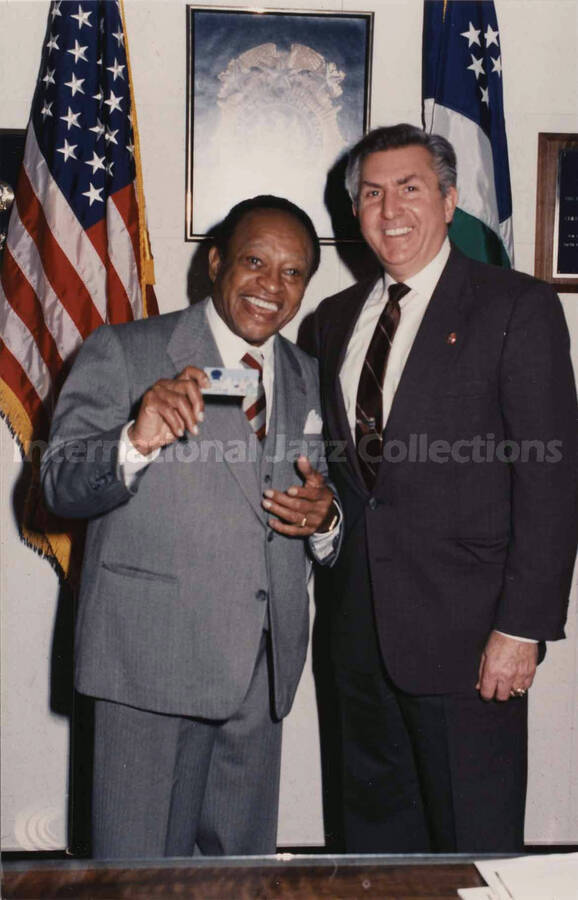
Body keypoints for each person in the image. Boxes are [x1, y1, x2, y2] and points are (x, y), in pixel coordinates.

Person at [41, 195, 342, 858]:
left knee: (241, 873)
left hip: (260, 679)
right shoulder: (125, 350)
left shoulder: (308, 375)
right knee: (139, 872)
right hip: (148, 667)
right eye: (255, 262)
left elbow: (321, 502)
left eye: (293, 273)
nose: (272, 286)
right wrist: (134, 439)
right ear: (214, 263)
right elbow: (58, 483)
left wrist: (327, 521)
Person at [306, 124, 577, 853]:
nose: (390, 209)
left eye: (411, 188)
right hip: (357, 641)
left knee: (474, 847)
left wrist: (523, 628)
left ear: (451, 200)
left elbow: (551, 482)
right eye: (371, 193)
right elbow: (347, 481)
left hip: (472, 642)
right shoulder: (330, 322)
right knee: (373, 850)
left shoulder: (515, 308)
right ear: (353, 211)